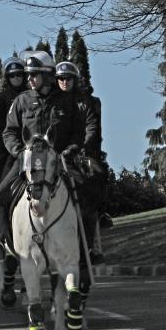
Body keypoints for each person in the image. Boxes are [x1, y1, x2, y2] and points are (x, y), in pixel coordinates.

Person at [0, 52, 85, 303]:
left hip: (59, 161)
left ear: (47, 75)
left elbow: (78, 132)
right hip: (28, 163)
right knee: (1, 193)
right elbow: (9, 132)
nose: (29, 79)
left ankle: (83, 248)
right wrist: (20, 153)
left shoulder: (65, 102)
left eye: (34, 75)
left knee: (85, 193)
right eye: (28, 75)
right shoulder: (21, 102)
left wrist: (71, 150)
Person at [55, 61, 107, 262]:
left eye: (67, 78)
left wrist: (79, 148)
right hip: (57, 154)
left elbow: (92, 129)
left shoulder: (87, 102)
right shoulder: (54, 101)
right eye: (60, 78)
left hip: (82, 153)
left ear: (75, 80)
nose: (64, 82)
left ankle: (98, 217)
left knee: (98, 175)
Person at [0, 56, 27, 260]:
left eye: (20, 75)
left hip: (31, 147)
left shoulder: (31, 95)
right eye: (13, 76)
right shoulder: (2, 98)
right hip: (8, 145)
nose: (17, 78)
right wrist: (14, 146)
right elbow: (1, 127)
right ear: (8, 78)